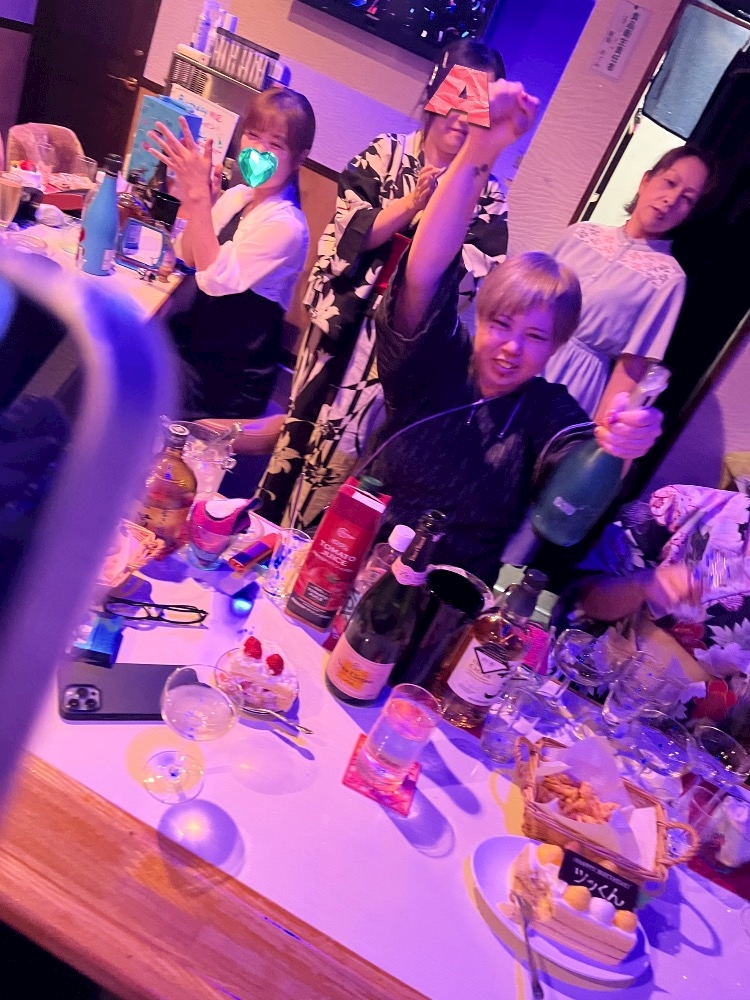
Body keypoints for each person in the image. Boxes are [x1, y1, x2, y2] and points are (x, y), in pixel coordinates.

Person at [362, 77, 662, 588]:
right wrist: (481, 149)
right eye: (502, 324)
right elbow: (423, 270)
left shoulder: (549, 412)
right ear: (481, 316)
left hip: (446, 595)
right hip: (358, 551)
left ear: (556, 347)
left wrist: (624, 447)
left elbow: (581, 476)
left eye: (536, 337)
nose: (512, 348)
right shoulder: (437, 360)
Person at [255, 38, 508, 528]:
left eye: (478, 108)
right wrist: (411, 207)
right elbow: (347, 230)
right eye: (456, 99)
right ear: (434, 91)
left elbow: (472, 281)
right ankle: (265, 539)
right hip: (340, 328)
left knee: (357, 468)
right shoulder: (387, 152)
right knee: (297, 438)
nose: (463, 118)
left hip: (401, 355)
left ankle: (311, 554)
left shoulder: (486, 194)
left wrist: (437, 222)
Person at [147, 87, 316, 419]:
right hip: (189, 348)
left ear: (300, 158)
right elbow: (189, 256)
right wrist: (197, 202)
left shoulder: (287, 227)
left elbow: (214, 280)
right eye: (253, 136)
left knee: (126, 372)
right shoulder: (239, 195)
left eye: (276, 145)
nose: (258, 151)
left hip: (221, 380)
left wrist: (200, 199)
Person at [543, 146, 716, 421]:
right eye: (670, 182)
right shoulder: (580, 234)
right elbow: (523, 299)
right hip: (525, 353)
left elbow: (632, 366)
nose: (671, 199)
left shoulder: (668, 279)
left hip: (576, 384)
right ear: (646, 180)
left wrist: (598, 435)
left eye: (687, 199)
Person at [556, 484, 750, 689]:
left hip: (678, 708)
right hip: (580, 680)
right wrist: (642, 585)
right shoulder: (680, 505)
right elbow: (581, 599)